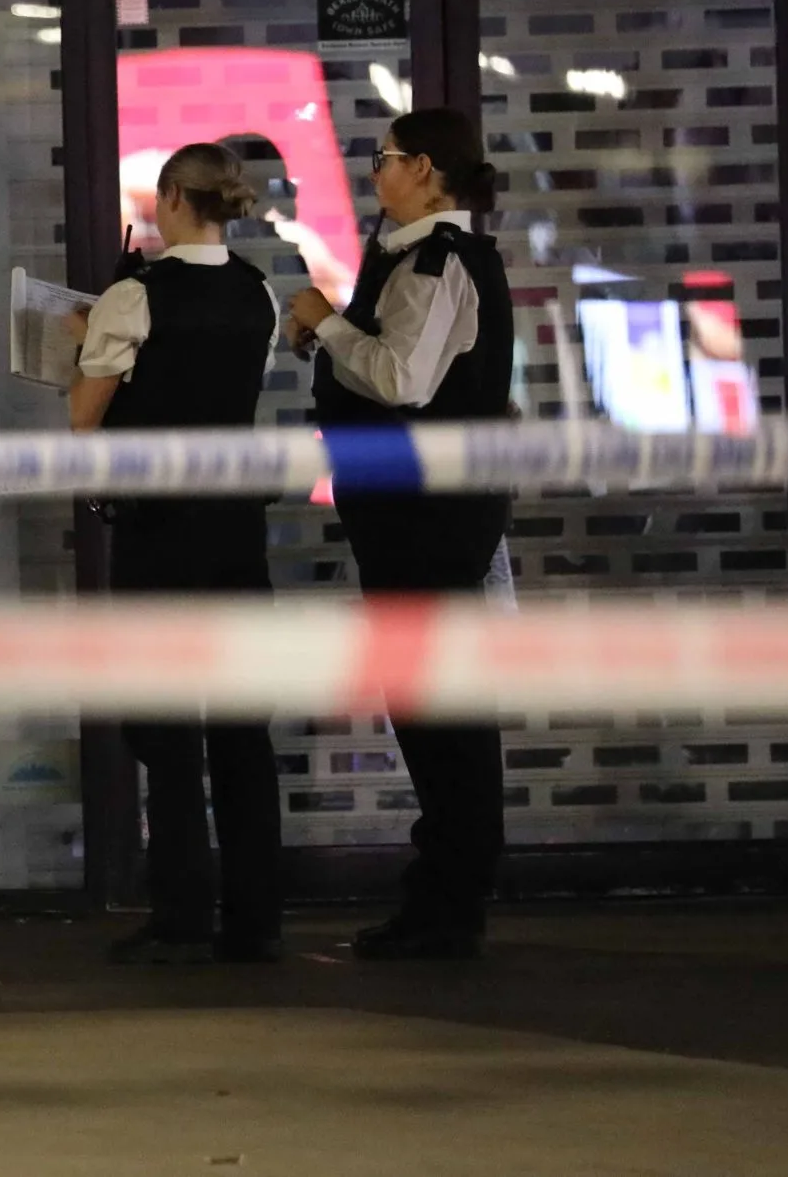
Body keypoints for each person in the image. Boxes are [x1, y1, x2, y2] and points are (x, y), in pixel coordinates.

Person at [288, 107, 514, 961]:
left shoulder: (436, 261)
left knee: (438, 713)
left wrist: (329, 318)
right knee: (433, 708)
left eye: (382, 159)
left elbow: (400, 378)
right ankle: (445, 893)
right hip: (422, 518)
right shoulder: (433, 260)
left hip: (427, 523)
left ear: (424, 168)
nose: (374, 173)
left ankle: (450, 901)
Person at [67, 143, 284, 965]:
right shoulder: (258, 291)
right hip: (235, 526)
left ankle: (184, 906)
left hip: (160, 528)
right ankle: (256, 916)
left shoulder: (134, 296)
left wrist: (84, 342)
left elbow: (86, 422)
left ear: (168, 199)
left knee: (163, 726)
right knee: (240, 728)